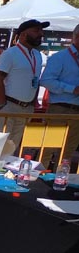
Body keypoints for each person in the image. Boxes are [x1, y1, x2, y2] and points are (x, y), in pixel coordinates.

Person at [0, 19, 48, 152]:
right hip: (9, 105)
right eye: (36, 31)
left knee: (13, 146)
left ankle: (5, 170)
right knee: (0, 145)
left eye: (41, 31)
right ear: (23, 34)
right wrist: (2, 104)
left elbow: (36, 80)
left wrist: (33, 104)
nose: (40, 34)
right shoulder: (10, 54)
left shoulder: (38, 55)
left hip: (26, 107)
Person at [40, 24, 79, 168]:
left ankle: (60, 177)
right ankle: (39, 177)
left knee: (69, 149)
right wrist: (71, 89)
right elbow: (46, 80)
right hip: (59, 108)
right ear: (76, 37)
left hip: (77, 111)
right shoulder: (60, 57)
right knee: (48, 146)